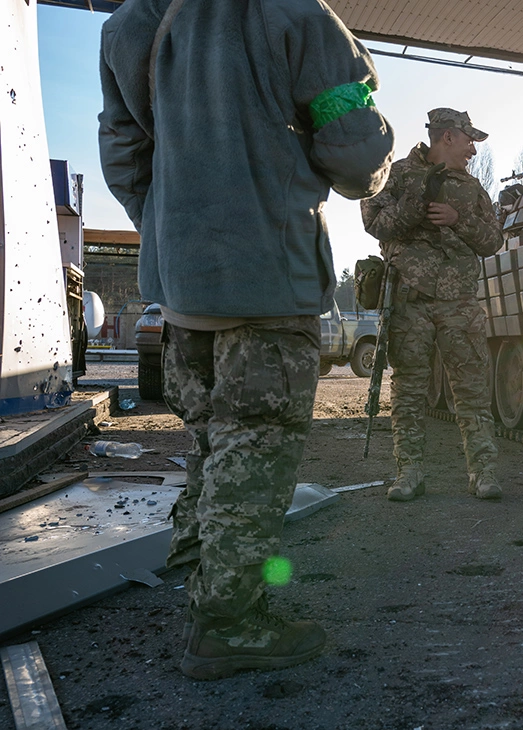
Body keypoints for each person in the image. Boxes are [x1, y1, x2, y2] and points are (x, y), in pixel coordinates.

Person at [98, 0, 394, 680]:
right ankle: (229, 624)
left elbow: (122, 151)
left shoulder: (129, 23)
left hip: (183, 289)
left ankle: (203, 583)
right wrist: (365, 175)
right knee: (253, 454)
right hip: (267, 276)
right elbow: (353, 143)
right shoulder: (294, 13)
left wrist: (179, 228)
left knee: (211, 446)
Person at [360, 109, 503, 502]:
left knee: (472, 391)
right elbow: (376, 224)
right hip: (411, 302)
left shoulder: (472, 189)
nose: (473, 149)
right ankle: (409, 473)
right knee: (409, 392)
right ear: (448, 137)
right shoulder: (399, 174)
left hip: (459, 302)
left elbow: (493, 240)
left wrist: (458, 220)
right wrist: (416, 202)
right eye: (469, 139)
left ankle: (484, 473)